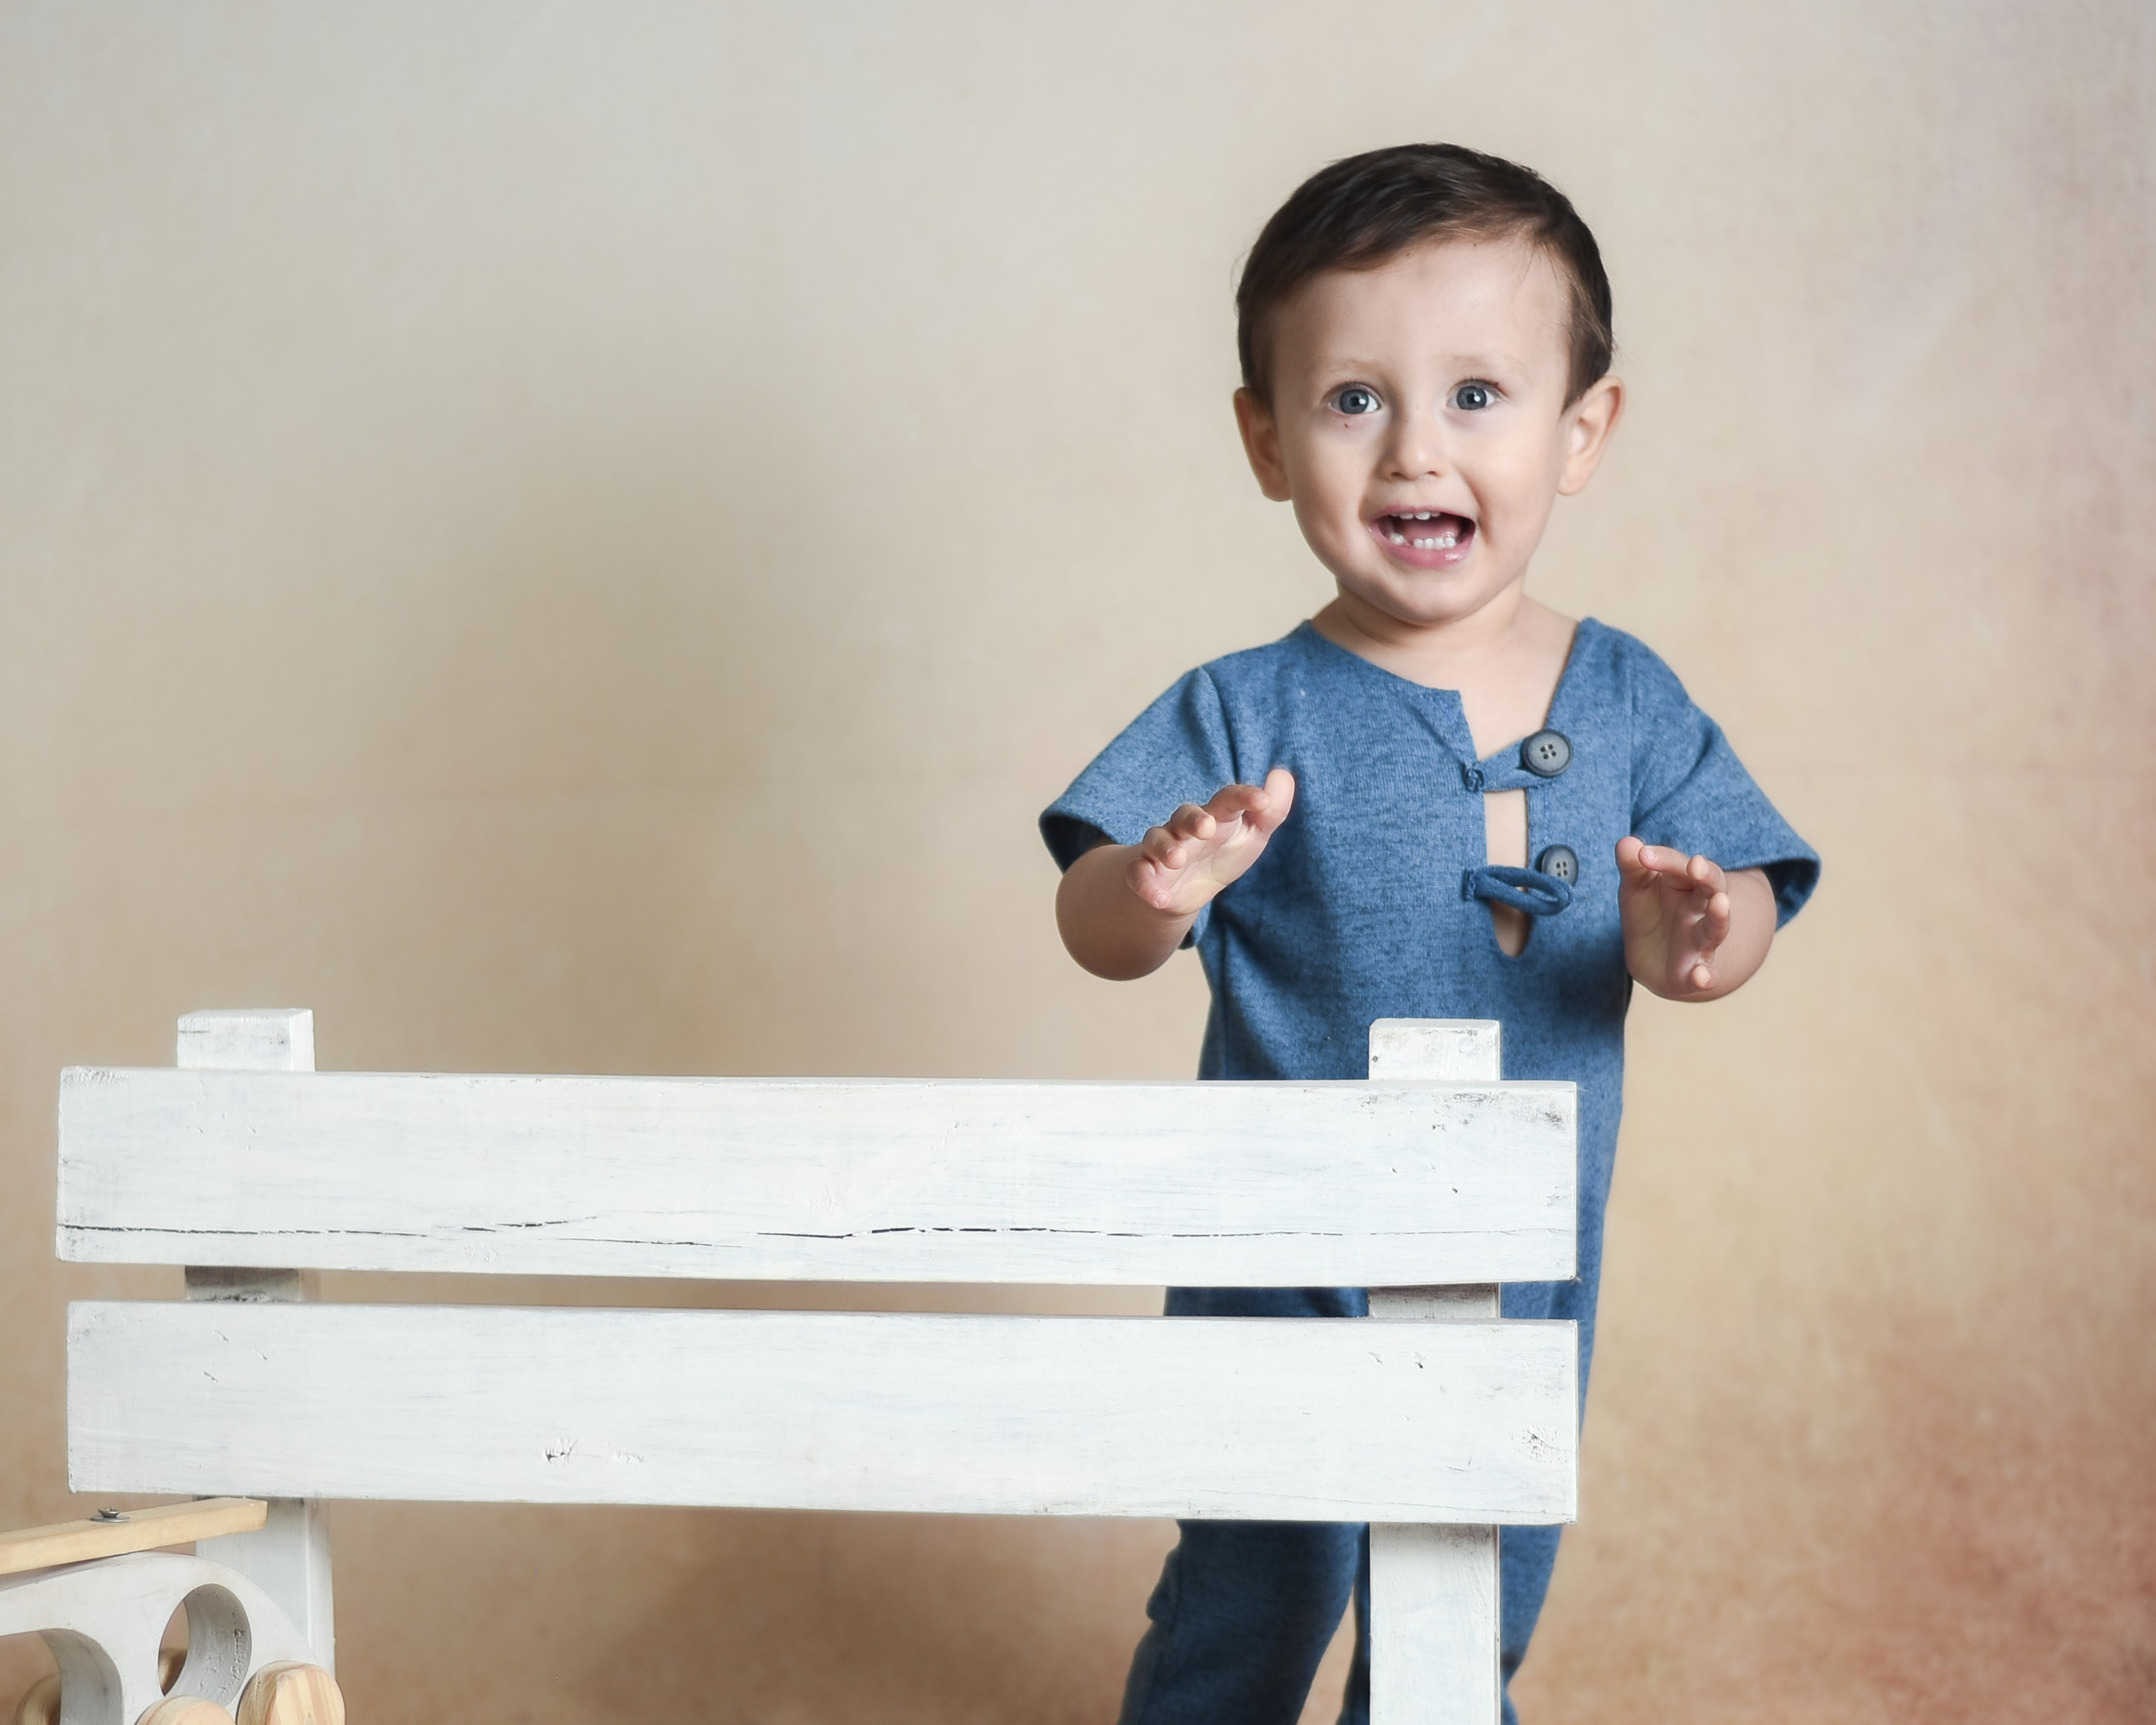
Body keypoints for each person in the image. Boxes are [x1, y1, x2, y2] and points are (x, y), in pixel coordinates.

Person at [1039, 143, 1821, 1725]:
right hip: (1276, 1258)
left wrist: (1700, 932)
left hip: (1519, 1267)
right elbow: (1093, 925)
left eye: (1478, 395)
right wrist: (1154, 886)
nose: (1414, 452)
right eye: (1351, 401)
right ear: (1265, 439)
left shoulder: (1627, 698)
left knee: (1467, 1592)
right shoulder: (1245, 706)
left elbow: (1728, 928)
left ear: (1580, 429)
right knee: (1257, 1580)